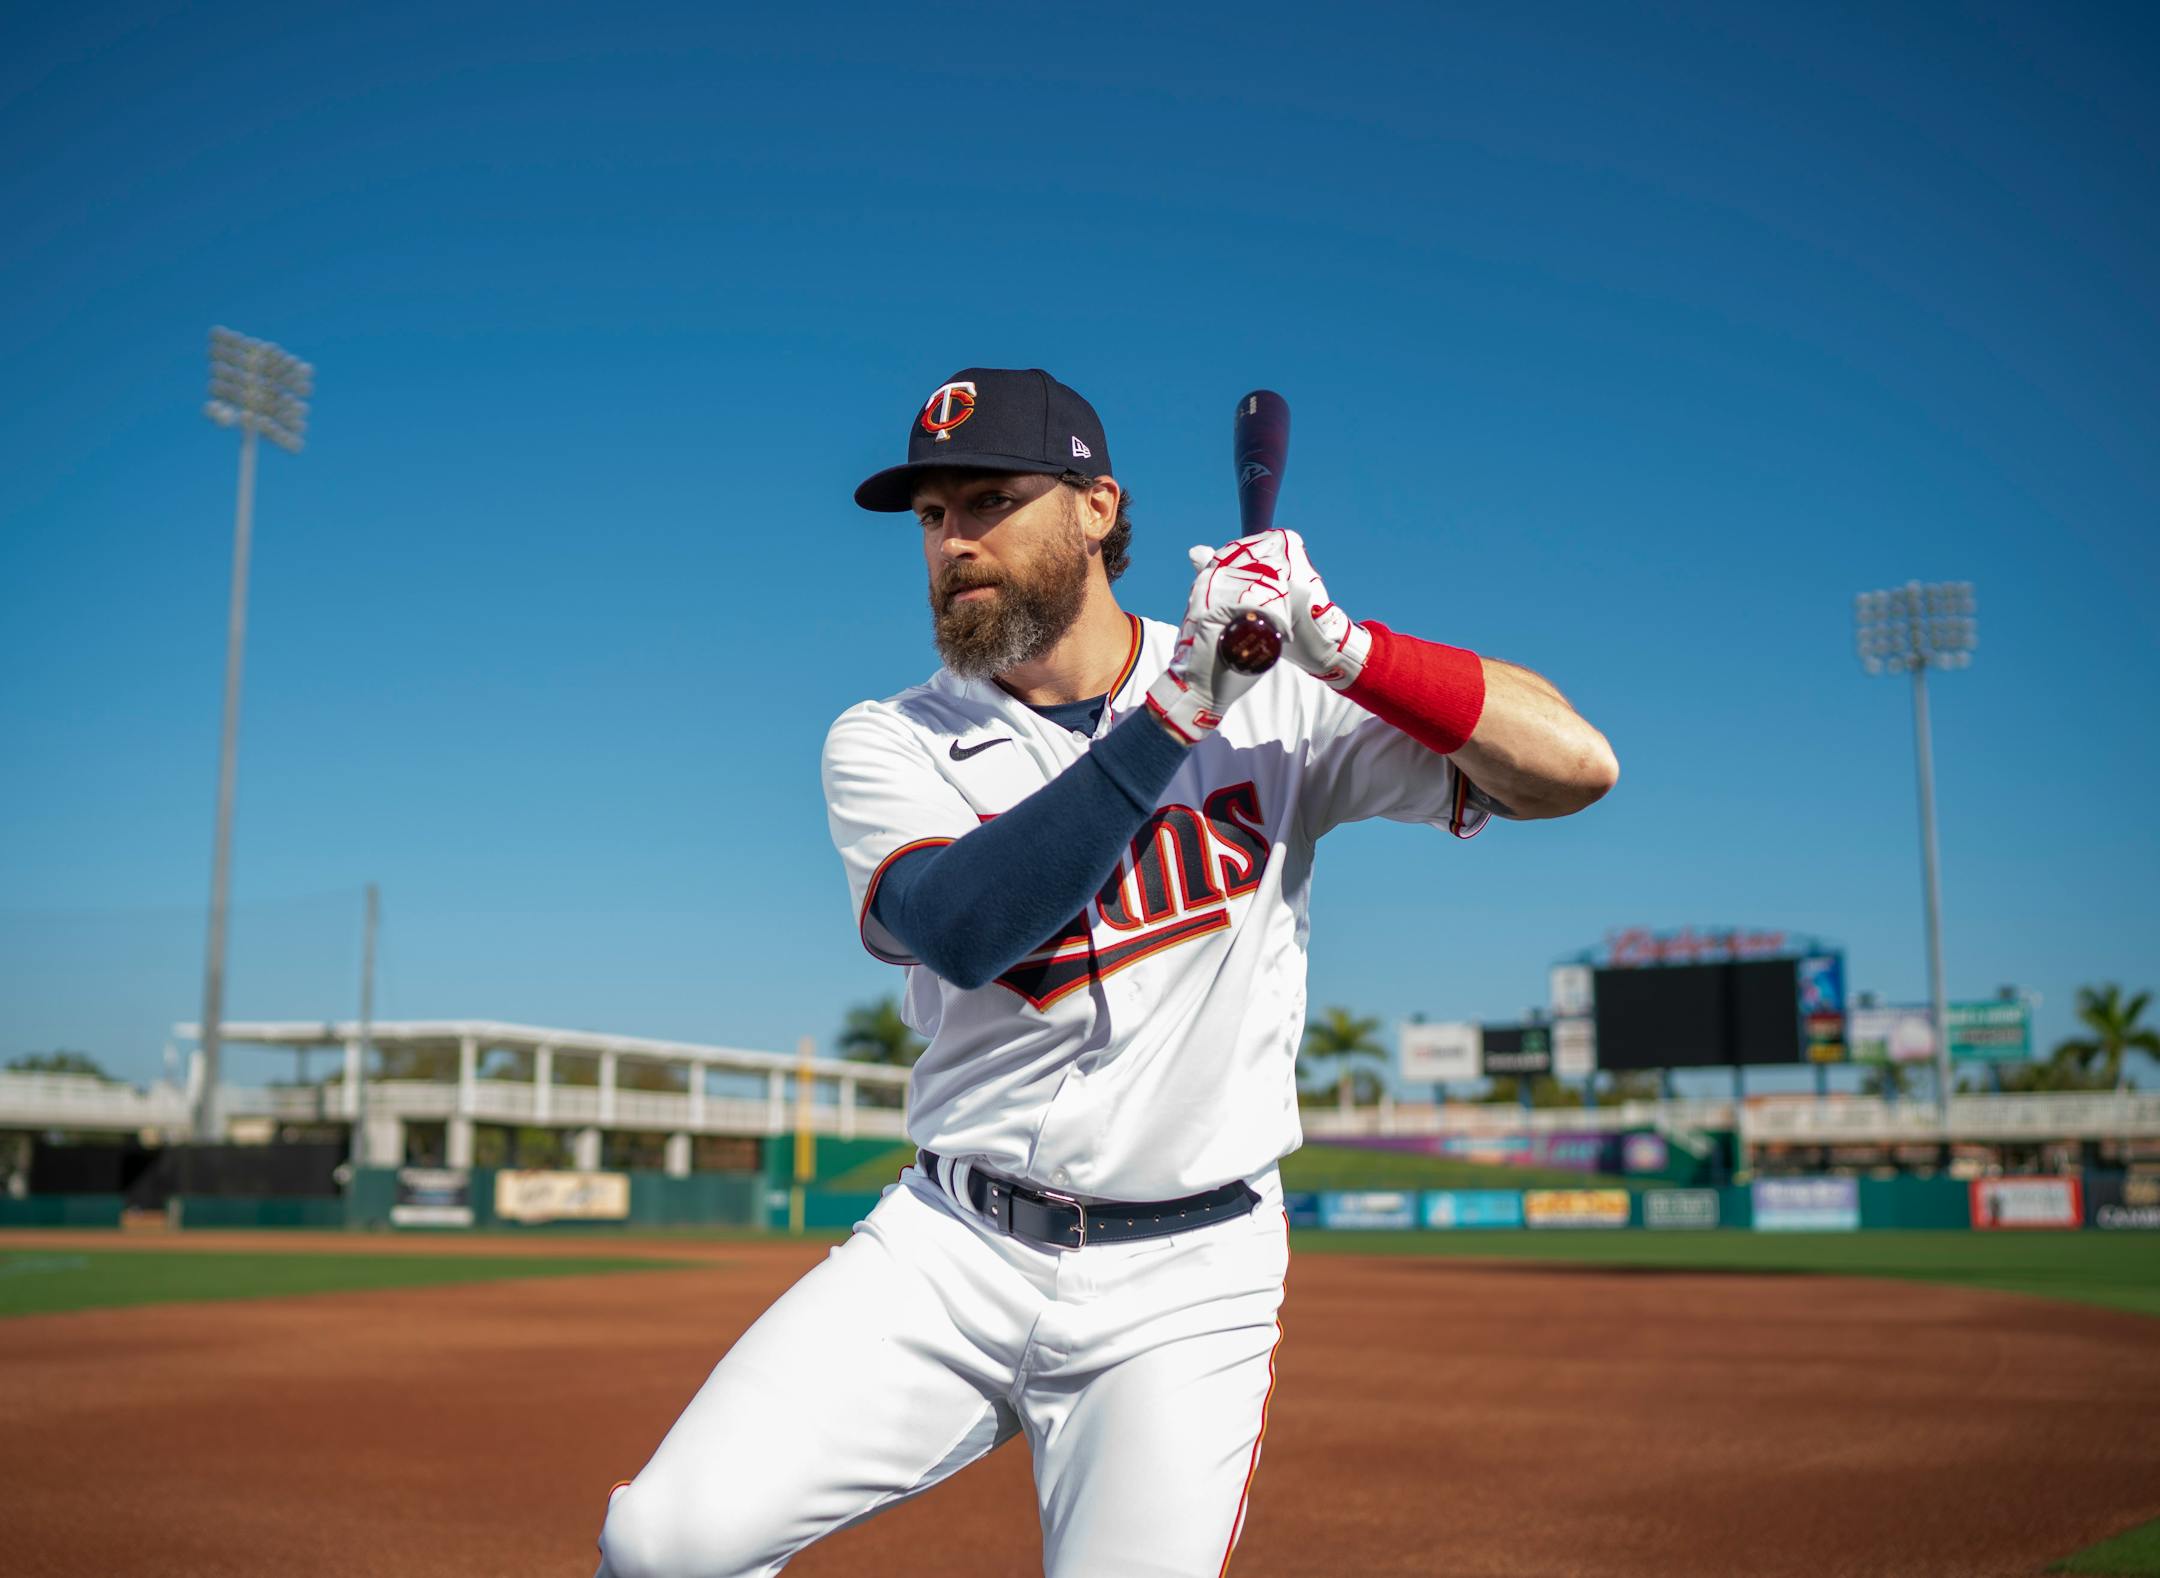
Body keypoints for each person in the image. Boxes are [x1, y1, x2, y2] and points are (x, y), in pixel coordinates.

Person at [595, 367, 1618, 1578]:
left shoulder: (1278, 702)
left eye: (988, 499)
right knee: (664, 1546)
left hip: (1188, 1284)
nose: (953, 540)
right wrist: (1179, 707)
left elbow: (1573, 765)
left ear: (1097, 507)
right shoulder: (893, 737)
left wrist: (1344, 649)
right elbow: (965, 927)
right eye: (931, 517)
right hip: (949, 1254)